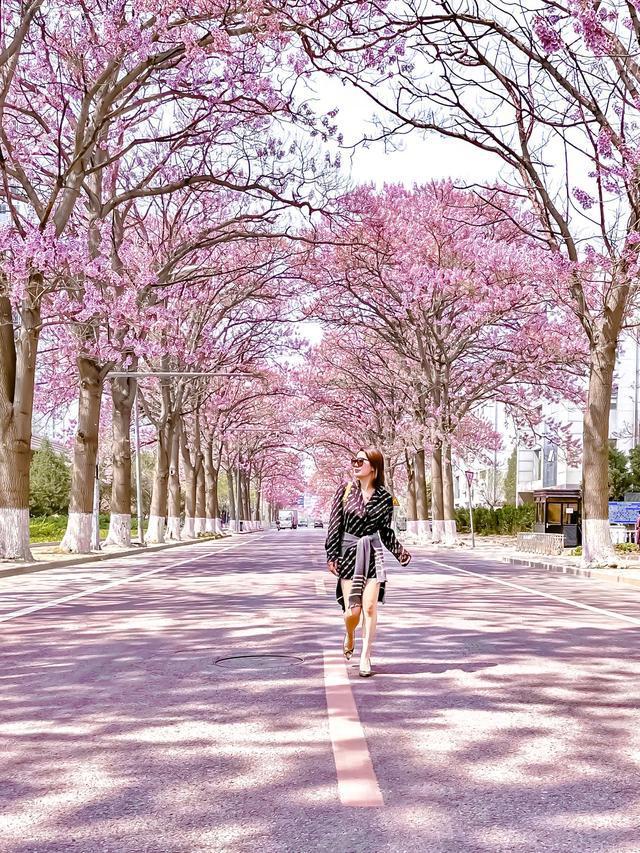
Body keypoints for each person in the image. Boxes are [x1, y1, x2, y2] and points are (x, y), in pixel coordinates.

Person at [325, 447, 411, 677]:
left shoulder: (384, 497)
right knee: (353, 612)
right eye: (354, 460)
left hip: (373, 555)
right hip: (349, 553)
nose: (355, 464)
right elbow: (335, 525)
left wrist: (400, 552)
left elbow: (385, 531)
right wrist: (332, 555)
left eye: (360, 461)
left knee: (370, 608)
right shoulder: (344, 491)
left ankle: (365, 656)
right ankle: (350, 634)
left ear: (373, 466)